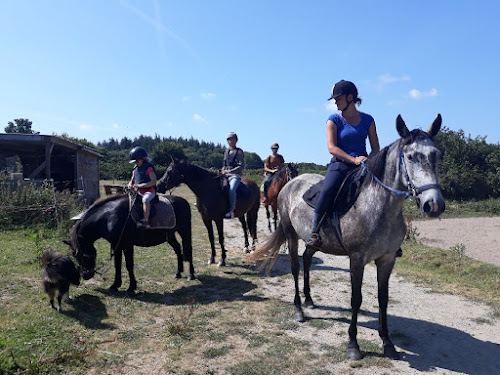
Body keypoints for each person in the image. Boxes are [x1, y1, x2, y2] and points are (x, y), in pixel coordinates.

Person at [306, 80, 380, 247]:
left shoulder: (368, 120)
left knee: (386, 190)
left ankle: (390, 237)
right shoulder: (334, 120)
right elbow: (332, 148)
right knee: (328, 190)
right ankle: (314, 232)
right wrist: (353, 159)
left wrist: (368, 159)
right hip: (341, 164)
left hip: (364, 166)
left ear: (350, 97)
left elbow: (376, 148)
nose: (336, 102)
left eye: (338, 99)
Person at [127, 146, 157, 228]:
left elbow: (153, 182)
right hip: (138, 192)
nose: (135, 163)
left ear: (142, 159)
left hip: (149, 191)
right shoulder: (135, 168)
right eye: (134, 161)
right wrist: (130, 184)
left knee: (145, 200)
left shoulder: (149, 168)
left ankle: (146, 221)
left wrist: (139, 185)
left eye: (137, 161)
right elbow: (132, 179)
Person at [221, 132, 244, 219]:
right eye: (229, 140)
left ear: (236, 140)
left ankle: (231, 211)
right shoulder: (226, 151)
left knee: (231, 189)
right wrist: (223, 170)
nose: (231, 141)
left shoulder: (239, 151)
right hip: (225, 174)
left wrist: (230, 171)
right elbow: (224, 163)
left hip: (235, 175)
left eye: (232, 139)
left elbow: (241, 166)